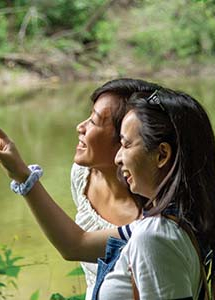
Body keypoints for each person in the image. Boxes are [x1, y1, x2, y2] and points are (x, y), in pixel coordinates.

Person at [0, 88, 215, 299]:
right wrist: (21, 174)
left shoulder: (153, 238)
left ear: (162, 155)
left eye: (127, 144)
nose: (119, 156)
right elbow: (75, 244)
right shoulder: (170, 224)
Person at [69, 79, 161, 296]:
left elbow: (74, 245)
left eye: (94, 121)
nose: (80, 127)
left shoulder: (152, 221)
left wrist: (24, 178)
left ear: (125, 138)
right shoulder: (82, 176)